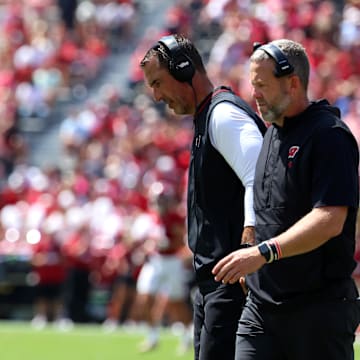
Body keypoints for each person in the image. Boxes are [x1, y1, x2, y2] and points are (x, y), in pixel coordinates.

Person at [212, 38, 360, 360]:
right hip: (262, 310)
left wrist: (263, 253)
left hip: (318, 311)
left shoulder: (329, 136)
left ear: (292, 83)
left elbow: (330, 219)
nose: (255, 94)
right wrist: (250, 242)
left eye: (262, 85)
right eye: (253, 85)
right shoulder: (271, 135)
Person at [140, 34, 266, 360]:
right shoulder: (207, 116)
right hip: (216, 284)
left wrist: (250, 246)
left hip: (233, 283)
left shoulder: (223, 115)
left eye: (158, 82)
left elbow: (260, 177)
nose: (155, 96)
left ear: (183, 70)